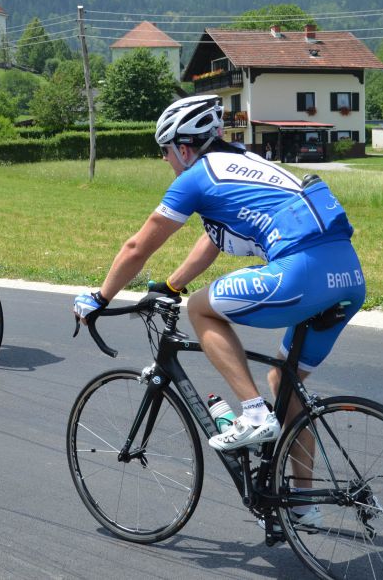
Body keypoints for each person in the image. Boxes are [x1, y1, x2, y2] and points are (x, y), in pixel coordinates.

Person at [73, 94, 365, 455]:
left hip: (301, 272)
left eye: (164, 151)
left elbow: (138, 248)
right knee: (284, 388)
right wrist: (170, 285)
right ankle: (302, 510)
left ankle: (255, 415)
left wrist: (100, 298)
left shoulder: (196, 177)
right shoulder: (245, 160)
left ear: (183, 148)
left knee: (199, 308)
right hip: (349, 276)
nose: (165, 160)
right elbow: (212, 240)